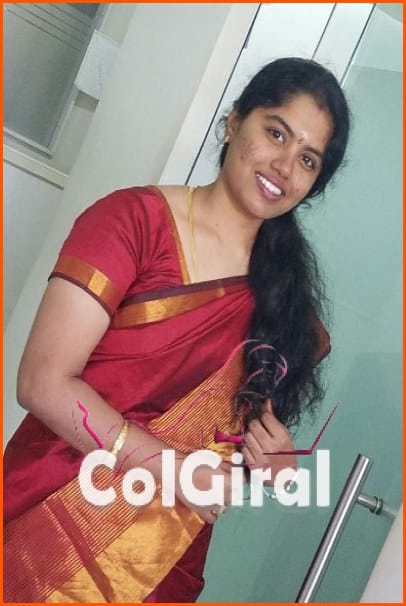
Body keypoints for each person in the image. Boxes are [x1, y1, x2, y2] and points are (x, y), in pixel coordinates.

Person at [4, 57, 349, 603]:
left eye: (307, 159)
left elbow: (226, 443)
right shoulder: (132, 222)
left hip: (160, 561)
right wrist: (173, 470)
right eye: (276, 133)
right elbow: (42, 383)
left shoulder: (285, 307)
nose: (284, 166)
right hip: (48, 524)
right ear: (234, 121)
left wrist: (275, 464)